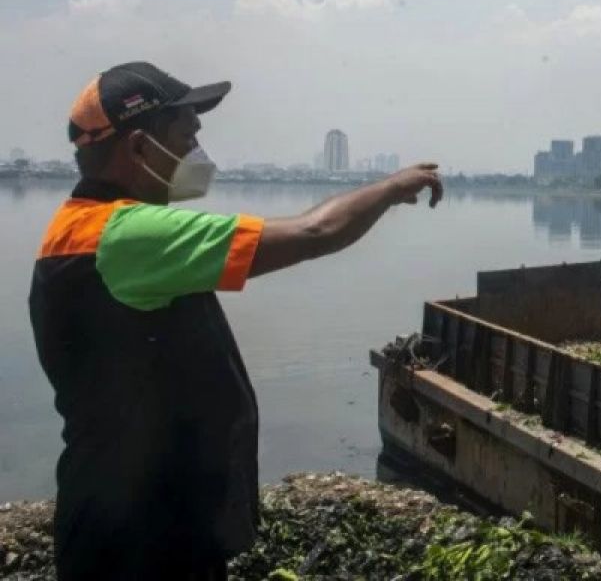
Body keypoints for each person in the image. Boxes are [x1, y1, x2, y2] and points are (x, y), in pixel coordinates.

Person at [28, 62, 443, 580]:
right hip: (141, 536)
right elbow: (316, 232)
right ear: (138, 148)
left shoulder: (79, 228)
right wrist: (390, 187)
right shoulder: (127, 236)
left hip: (134, 509)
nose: (197, 151)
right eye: (187, 135)